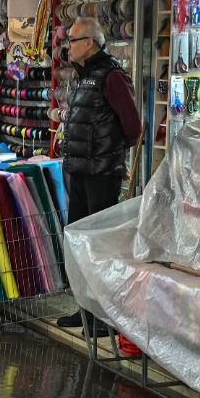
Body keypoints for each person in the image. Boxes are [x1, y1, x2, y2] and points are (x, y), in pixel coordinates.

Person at [56, 18, 142, 331]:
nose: (68, 47)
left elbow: (132, 126)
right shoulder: (83, 76)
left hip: (101, 173)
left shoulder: (112, 75)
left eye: (73, 40)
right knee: (78, 243)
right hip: (80, 170)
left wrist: (107, 153)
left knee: (99, 246)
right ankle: (84, 310)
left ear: (90, 42)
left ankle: (103, 317)